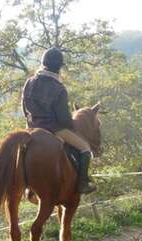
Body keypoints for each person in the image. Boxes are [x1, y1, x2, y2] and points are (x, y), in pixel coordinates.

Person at [21, 47, 97, 194]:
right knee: (85, 147)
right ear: (59, 67)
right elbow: (63, 118)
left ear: (43, 62)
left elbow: (24, 107)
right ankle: (83, 184)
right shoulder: (59, 88)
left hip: (31, 127)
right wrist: (72, 126)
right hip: (54, 128)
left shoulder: (29, 82)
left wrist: (31, 123)